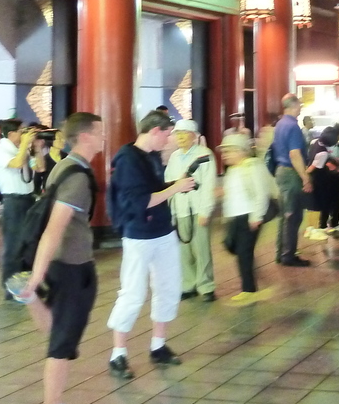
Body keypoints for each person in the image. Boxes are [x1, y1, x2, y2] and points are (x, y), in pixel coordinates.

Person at [18, 112, 103, 404]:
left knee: (59, 333)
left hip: (64, 266)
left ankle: (29, 298)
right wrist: (37, 274)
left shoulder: (64, 167)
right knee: (61, 343)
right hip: (72, 268)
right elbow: (54, 229)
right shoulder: (77, 178)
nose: (103, 138)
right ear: (85, 137)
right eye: (100, 132)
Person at [106, 109, 197, 378]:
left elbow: (155, 191)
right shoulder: (127, 160)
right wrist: (175, 188)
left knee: (168, 288)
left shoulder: (152, 157)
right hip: (138, 235)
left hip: (162, 231)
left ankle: (158, 345)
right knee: (133, 293)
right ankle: (118, 353)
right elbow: (140, 201)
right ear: (154, 131)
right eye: (167, 135)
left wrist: (178, 184)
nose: (169, 140)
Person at [219, 132, 276, 303]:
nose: (224, 155)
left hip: (248, 216)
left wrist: (256, 216)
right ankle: (250, 277)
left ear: (240, 151)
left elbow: (260, 193)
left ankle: (249, 289)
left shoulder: (252, 166)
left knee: (244, 252)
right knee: (231, 246)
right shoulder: (233, 169)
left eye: (228, 151)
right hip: (235, 217)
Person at [165, 120, 217, 302]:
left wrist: (205, 210)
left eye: (184, 133)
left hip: (197, 208)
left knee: (201, 248)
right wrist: (170, 208)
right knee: (183, 250)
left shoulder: (205, 155)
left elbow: (209, 184)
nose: (179, 136)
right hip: (180, 209)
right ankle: (188, 284)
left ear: (194, 135)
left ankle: (206, 286)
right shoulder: (174, 157)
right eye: (177, 133)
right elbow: (169, 183)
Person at [0, 120, 36, 301]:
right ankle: (11, 288)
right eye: (21, 131)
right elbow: (17, 164)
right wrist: (25, 145)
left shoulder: (21, 149)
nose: (24, 134)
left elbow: (37, 167)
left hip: (28, 199)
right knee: (14, 246)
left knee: (29, 244)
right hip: (13, 201)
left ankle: (26, 284)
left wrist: (36, 148)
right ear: (10, 134)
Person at [270, 94, 312, 266]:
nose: (301, 107)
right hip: (290, 172)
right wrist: (305, 178)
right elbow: (294, 154)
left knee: (285, 215)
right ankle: (289, 255)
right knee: (293, 215)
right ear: (293, 105)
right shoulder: (293, 126)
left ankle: (282, 252)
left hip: (281, 171)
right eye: (300, 104)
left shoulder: (280, 124)